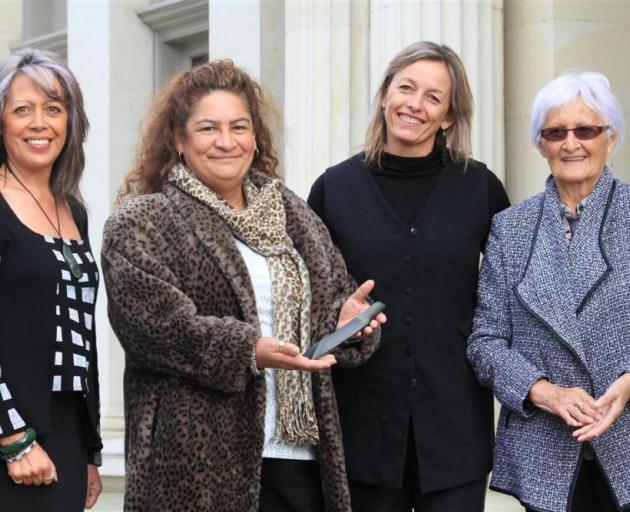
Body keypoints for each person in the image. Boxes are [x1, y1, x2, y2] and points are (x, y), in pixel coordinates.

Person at [100, 59, 385, 512]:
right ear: (179, 139)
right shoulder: (142, 222)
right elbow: (154, 328)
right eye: (209, 128)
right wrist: (247, 349)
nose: (227, 141)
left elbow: (329, 300)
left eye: (239, 126)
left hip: (300, 456)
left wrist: (347, 321)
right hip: (196, 466)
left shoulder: (295, 218)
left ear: (255, 137)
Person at [308, 41, 509, 511]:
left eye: (433, 97)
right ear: (384, 96)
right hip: (363, 427)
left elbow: (514, 293)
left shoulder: (480, 187)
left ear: (448, 118)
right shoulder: (334, 189)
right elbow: (306, 297)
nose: (415, 104)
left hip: (454, 426)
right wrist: (335, 314)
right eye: (406, 88)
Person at [467, 70, 630, 512]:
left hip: (625, 441)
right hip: (545, 450)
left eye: (586, 130)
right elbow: (485, 342)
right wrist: (545, 392)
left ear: (610, 139)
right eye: (555, 132)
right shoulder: (509, 227)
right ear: (541, 144)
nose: (571, 143)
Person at [0, 49, 102, 511]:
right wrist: (13, 435)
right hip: (11, 433)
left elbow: (83, 335)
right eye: (22, 109)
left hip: (65, 431)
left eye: (53, 108)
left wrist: (91, 449)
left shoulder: (73, 208)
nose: (39, 123)